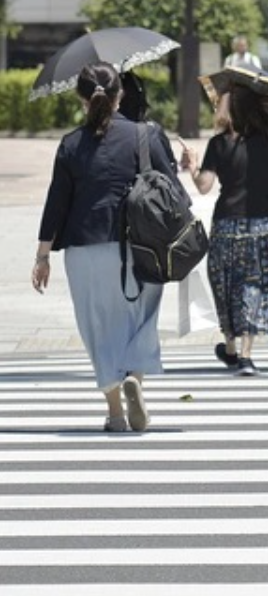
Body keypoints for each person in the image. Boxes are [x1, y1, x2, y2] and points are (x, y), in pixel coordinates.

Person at [33, 62, 184, 433]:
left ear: (81, 99)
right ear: (122, 95)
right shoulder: (143, 136)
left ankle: (115, 413)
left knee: (99, 328)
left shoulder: (70, 144)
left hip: (84, 250)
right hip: (140, 245)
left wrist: (41, 256)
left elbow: (57, 203)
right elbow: (173, 192)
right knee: (142, 318)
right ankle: (135, 374)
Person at [179, 85, 268, 377]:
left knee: (226, 287)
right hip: (260, 226)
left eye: (221, 103)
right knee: (253, 288)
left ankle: (232, 345)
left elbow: (204, 187)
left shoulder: (219, 144)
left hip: (226, 226)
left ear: (233, 109)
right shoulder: (266, 142)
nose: (217, 106)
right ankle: (241, 354)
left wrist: (192, 166)